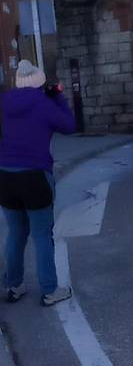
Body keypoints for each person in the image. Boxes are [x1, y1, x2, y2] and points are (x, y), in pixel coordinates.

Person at [0, 60, 76, 305]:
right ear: (40, 82)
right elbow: (70, 126)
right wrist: (58, 99)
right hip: (34, 176)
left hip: (5, 175)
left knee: (16, 233)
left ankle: (13, 285)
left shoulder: (4, 102)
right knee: (42, 235)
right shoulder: (44, 103)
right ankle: (50, 290)